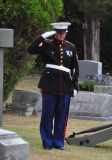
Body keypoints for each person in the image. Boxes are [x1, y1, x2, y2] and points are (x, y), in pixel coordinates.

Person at [27, 22, 79, 151]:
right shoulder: (46, 44)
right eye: (59, 32)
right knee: (47, 114)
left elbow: (74, 68)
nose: (61, 35)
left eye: (63, 33)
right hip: (49, 84)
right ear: (55, 32)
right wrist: (42, 37)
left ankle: (58, 142)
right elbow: (30, 50)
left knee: (62, 115)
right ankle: (47, 142)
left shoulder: (71, 47)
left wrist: (75, 86)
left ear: (66, 33)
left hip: (65, 85)